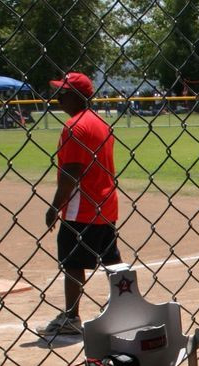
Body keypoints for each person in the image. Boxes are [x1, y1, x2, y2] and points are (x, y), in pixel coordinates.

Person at [37, 72, 121, 337]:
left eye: (63, 92)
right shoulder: (101, 123)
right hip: (106, 202)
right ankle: (123, 307)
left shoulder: (75, 127)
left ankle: (71, 317)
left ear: (77, 95)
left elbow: (71, 172)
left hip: (82, 206)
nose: (58, 97)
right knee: (111, 260)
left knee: (73, 262)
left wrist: (54, 207)